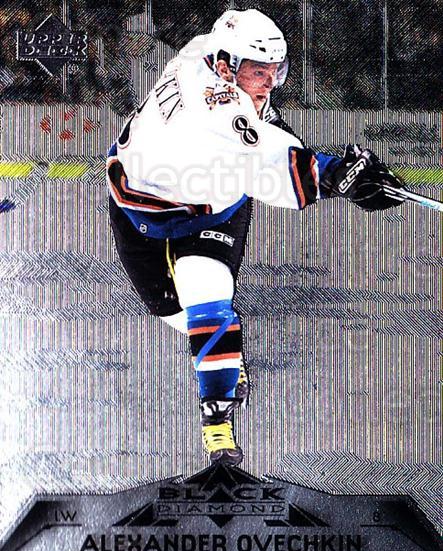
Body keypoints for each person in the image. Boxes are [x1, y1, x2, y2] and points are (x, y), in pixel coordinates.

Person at [106, 9, 403, 467]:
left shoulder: (203, 53)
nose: (267, 84)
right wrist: (335, 175)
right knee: (171, 312)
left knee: (208, 302)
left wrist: (331, 169)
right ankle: (223, 354)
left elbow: (263, 138)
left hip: (215, 210)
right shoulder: (212, 106)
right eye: (257, 72)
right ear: (226, 67)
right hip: (140, 211)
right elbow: (263, 158)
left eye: (274, 72)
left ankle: (218, 428)